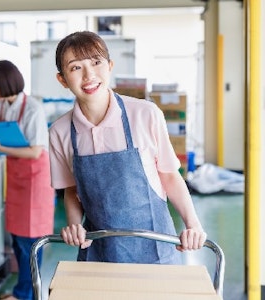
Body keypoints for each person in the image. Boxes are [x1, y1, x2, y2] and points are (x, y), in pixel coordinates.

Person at [48, 31, 207, 264]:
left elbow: (170, 176)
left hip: (156, 250)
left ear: (110, 65)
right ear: (62, 79)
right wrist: (74, 225)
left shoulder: (145, 114)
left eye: (96, 62)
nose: (89, 75)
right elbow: (71, 189)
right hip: (99, 253)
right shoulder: (60, 131)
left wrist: (193, 224)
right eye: (75, 68)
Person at [0, 60, 55, 300]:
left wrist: (0, 146)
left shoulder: (33, 109)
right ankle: (21, 291)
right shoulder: (3, 103)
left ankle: (26, 294)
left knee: (29, 242)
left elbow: (35, 151)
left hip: (35, 179)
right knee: (17, 238)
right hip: (16, 176)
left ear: (3, 83)